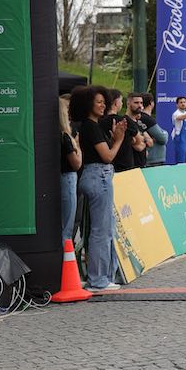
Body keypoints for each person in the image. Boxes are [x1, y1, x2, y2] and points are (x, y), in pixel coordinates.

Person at [71, 85, 125, 292]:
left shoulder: (90, 126)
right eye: (99, 102)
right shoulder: (91, 126)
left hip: (93, 176)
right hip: (98, 177)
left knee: (100, 229)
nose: (103, 106)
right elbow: (108, 156)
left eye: (104, 102)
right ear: (88, 105)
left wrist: (114, 139)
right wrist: (118, 141)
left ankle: (101, 276)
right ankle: (98, 279)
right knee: (101, 231)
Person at [104, 89, 144, 173]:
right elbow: (139, 140)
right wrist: (131, 140)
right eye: (121, 101)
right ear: (116, 103)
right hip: (125, 164)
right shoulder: (124, 121)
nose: (122, 104)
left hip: (107, 165)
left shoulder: (99, 121)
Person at [60, 96, 81, 246]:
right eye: (67, 110)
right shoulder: (65, 137)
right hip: (67, 177)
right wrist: (78, 146)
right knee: (67, 225)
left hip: (62, 177)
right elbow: (76, 164)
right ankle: (66, 255)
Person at [140, 92, 169, 167]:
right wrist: (165, 132)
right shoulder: (148, 119)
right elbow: (163, 138)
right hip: (153, 159)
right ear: (151, 103)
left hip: (147, 157)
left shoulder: (139, 117)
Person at [171, 96, 186, 163]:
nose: (183, 104)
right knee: (181, 157)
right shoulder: (176, 113)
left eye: (184, 102)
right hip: (180, 138)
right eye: (181, 102)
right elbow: (180, 118)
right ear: (177, 105)